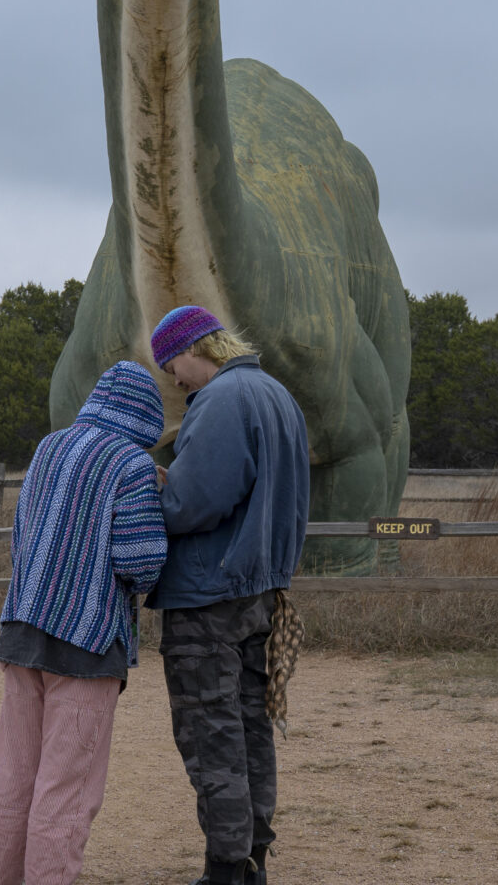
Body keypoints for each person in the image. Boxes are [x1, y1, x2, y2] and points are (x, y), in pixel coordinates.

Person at [0, 360, 169, 885]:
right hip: (88, 642)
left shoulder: (48, 447)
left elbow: (21, 539)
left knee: (12, 782)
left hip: (22, 629)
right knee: (65, 793)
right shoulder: (131, 463)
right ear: (146, 416)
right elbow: (141, 562)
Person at [147, 305, 310, 885]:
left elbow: (192, 505)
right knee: (248, 728)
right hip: (258, 590)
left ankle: (224, 871)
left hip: (208, 594)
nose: (175, 381)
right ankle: (251, 861)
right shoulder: (277, 396)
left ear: (194, 347)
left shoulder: (222, 400)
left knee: (210, 733)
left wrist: (158, 490)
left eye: (172, 366)